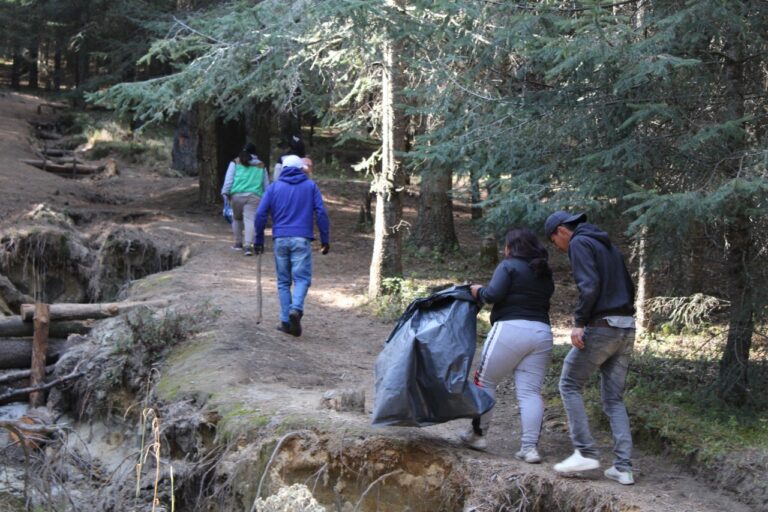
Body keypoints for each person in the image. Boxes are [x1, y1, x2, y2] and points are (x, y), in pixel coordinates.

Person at [544, 211, 636, 485]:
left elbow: (590, 285)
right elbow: (629, 286)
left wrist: (579, 322)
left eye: (553, 241)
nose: (558, 248)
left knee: (569, 384)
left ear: (561, 230)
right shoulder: (608, 245)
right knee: (613, 399)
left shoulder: (579, 243)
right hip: (626, 327)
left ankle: (585, 452)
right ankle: (623, 467)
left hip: (601, 327)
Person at [460, 228, 555, 464]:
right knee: (529, 392)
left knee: (485, 380)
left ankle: (477, 435)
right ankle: (529, 448)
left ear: (510, 247)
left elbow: (492, 294)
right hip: (542, 333)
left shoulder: (509, 265)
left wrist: (476, 290)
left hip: (510, 329)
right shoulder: (543, 270)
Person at [254, 155, 330, 337]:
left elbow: (260, 214)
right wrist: (325, 238)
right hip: (302, 239)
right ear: (300, 168)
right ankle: (295, 309)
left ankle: (287, 321)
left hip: (280, 238)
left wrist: (258, 239)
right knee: (302, 279)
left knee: (283, 282)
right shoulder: (310, 186)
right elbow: (321, 212)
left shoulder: (274, 188)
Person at [220, 148, 269, 256]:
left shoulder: (235, 162)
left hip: (236, 195)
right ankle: (248, 246)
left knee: (236, 218)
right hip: (254, 196)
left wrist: (225, 192)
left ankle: (238, 243)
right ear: (256, 153)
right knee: (250, 219)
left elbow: (229, 179)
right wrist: (266, 198)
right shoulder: (261, 165)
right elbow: (266, 184)